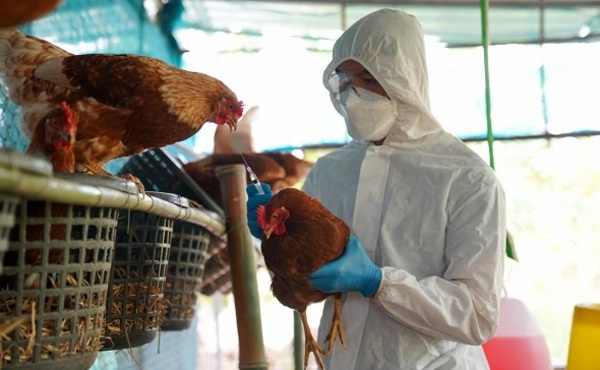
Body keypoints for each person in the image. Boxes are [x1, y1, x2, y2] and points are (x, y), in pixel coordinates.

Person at [246, 8, 506, 369]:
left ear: (404, 78)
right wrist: (273, 238)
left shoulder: (467, 178)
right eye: (346, 78)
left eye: (369, 77)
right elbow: (305, 278)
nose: (354, 93)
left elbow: (476, 315)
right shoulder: (331, 171)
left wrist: (379, 283)